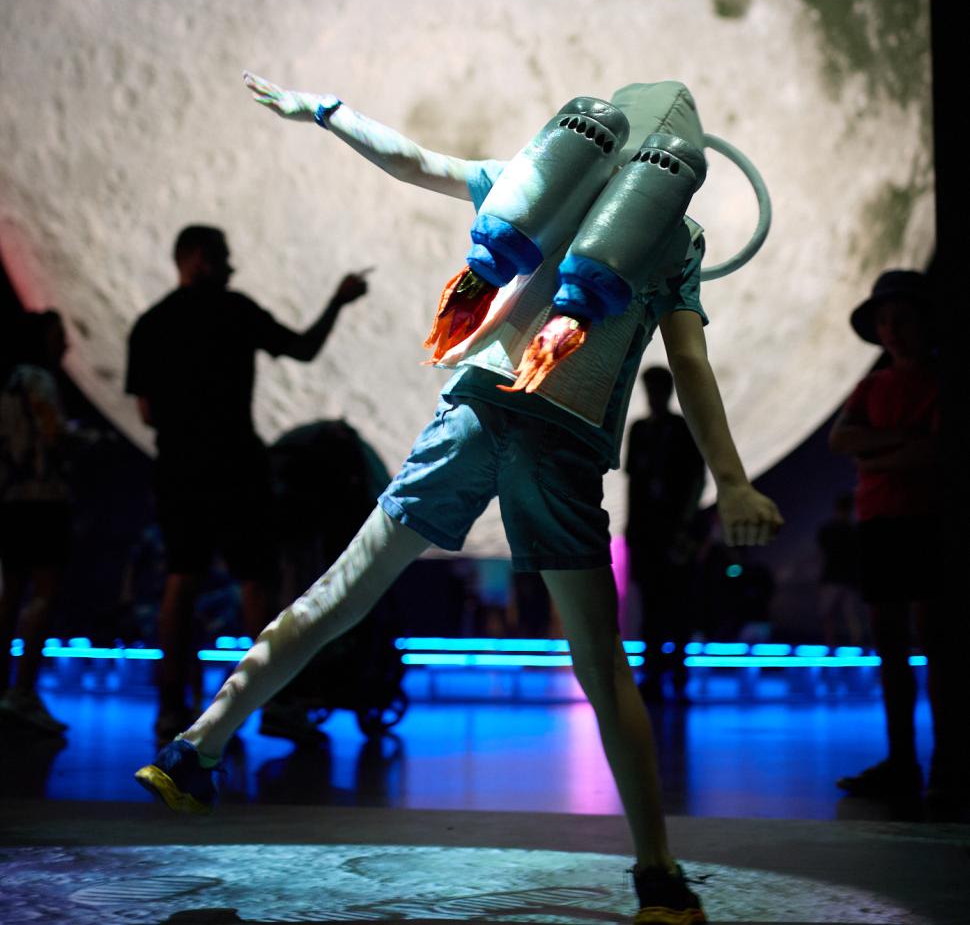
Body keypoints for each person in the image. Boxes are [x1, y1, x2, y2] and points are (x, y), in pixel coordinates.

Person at [135, 75, 783, 925]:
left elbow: (412, 161)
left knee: (342, 591)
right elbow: (690, 366)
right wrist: (731, 479)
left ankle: (195, 747)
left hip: (474, 410)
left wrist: (327, 112)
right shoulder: (671, 236)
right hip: (561, 441)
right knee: (598, 662)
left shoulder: (539, 178)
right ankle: (658, 875)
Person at [125, 223, 368, 741]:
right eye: (223, 256)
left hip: (178, 469)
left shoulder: (151, 324)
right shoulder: (234, 311)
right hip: (236, 466)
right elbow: (302, 348)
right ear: (199, 258)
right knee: (255, 582)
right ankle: (274, 704)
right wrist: (339, 300)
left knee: (181, 581)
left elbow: (146, 413)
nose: (231, 266)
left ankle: (172, 707)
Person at [829, 270, 954, 805]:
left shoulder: (939, 382)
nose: (893, 330)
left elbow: (934, 452)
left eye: (901, 319)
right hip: (882, 522)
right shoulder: (874, 386)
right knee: (893, 647)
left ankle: (939, 760)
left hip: (925, 520)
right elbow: (843, 441)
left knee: (933, 643)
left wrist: (874, 452)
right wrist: (904, 443)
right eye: (885, 321)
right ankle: (905, 759)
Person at [0, 310, 73, 735]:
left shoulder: (8, 382)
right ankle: (23, 692)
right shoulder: (39, 381)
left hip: (10, 501)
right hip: (43, 502)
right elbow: (54, 435)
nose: (66, 345)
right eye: (60, 335)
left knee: (9, 598)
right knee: (42, 596)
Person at [625, 365, 705, 700]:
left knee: (676, 604)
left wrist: (685, 525)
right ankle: (655, 674)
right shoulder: (641, 430)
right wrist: (631, 528)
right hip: (647, 530)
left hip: (673, 531)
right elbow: (634, 482)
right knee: (653, 605)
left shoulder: (680, 430)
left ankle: (676, 674)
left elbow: (696, 479)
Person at [816, 492, 865, 650]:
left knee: (830, 614)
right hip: (847, 579)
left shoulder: (829, 529)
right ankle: (855, 647)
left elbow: (822, 551)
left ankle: (831, 646)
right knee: (850, 615)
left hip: (833, 578)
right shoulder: (853, 531)